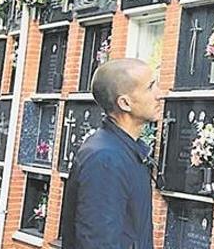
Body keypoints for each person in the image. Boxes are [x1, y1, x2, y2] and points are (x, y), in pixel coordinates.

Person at [61, 59, 162, 249]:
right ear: (125, 103)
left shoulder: (128, 150)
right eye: (150, 87)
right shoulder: (105, 159)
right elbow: (98, 242)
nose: (159, 94)